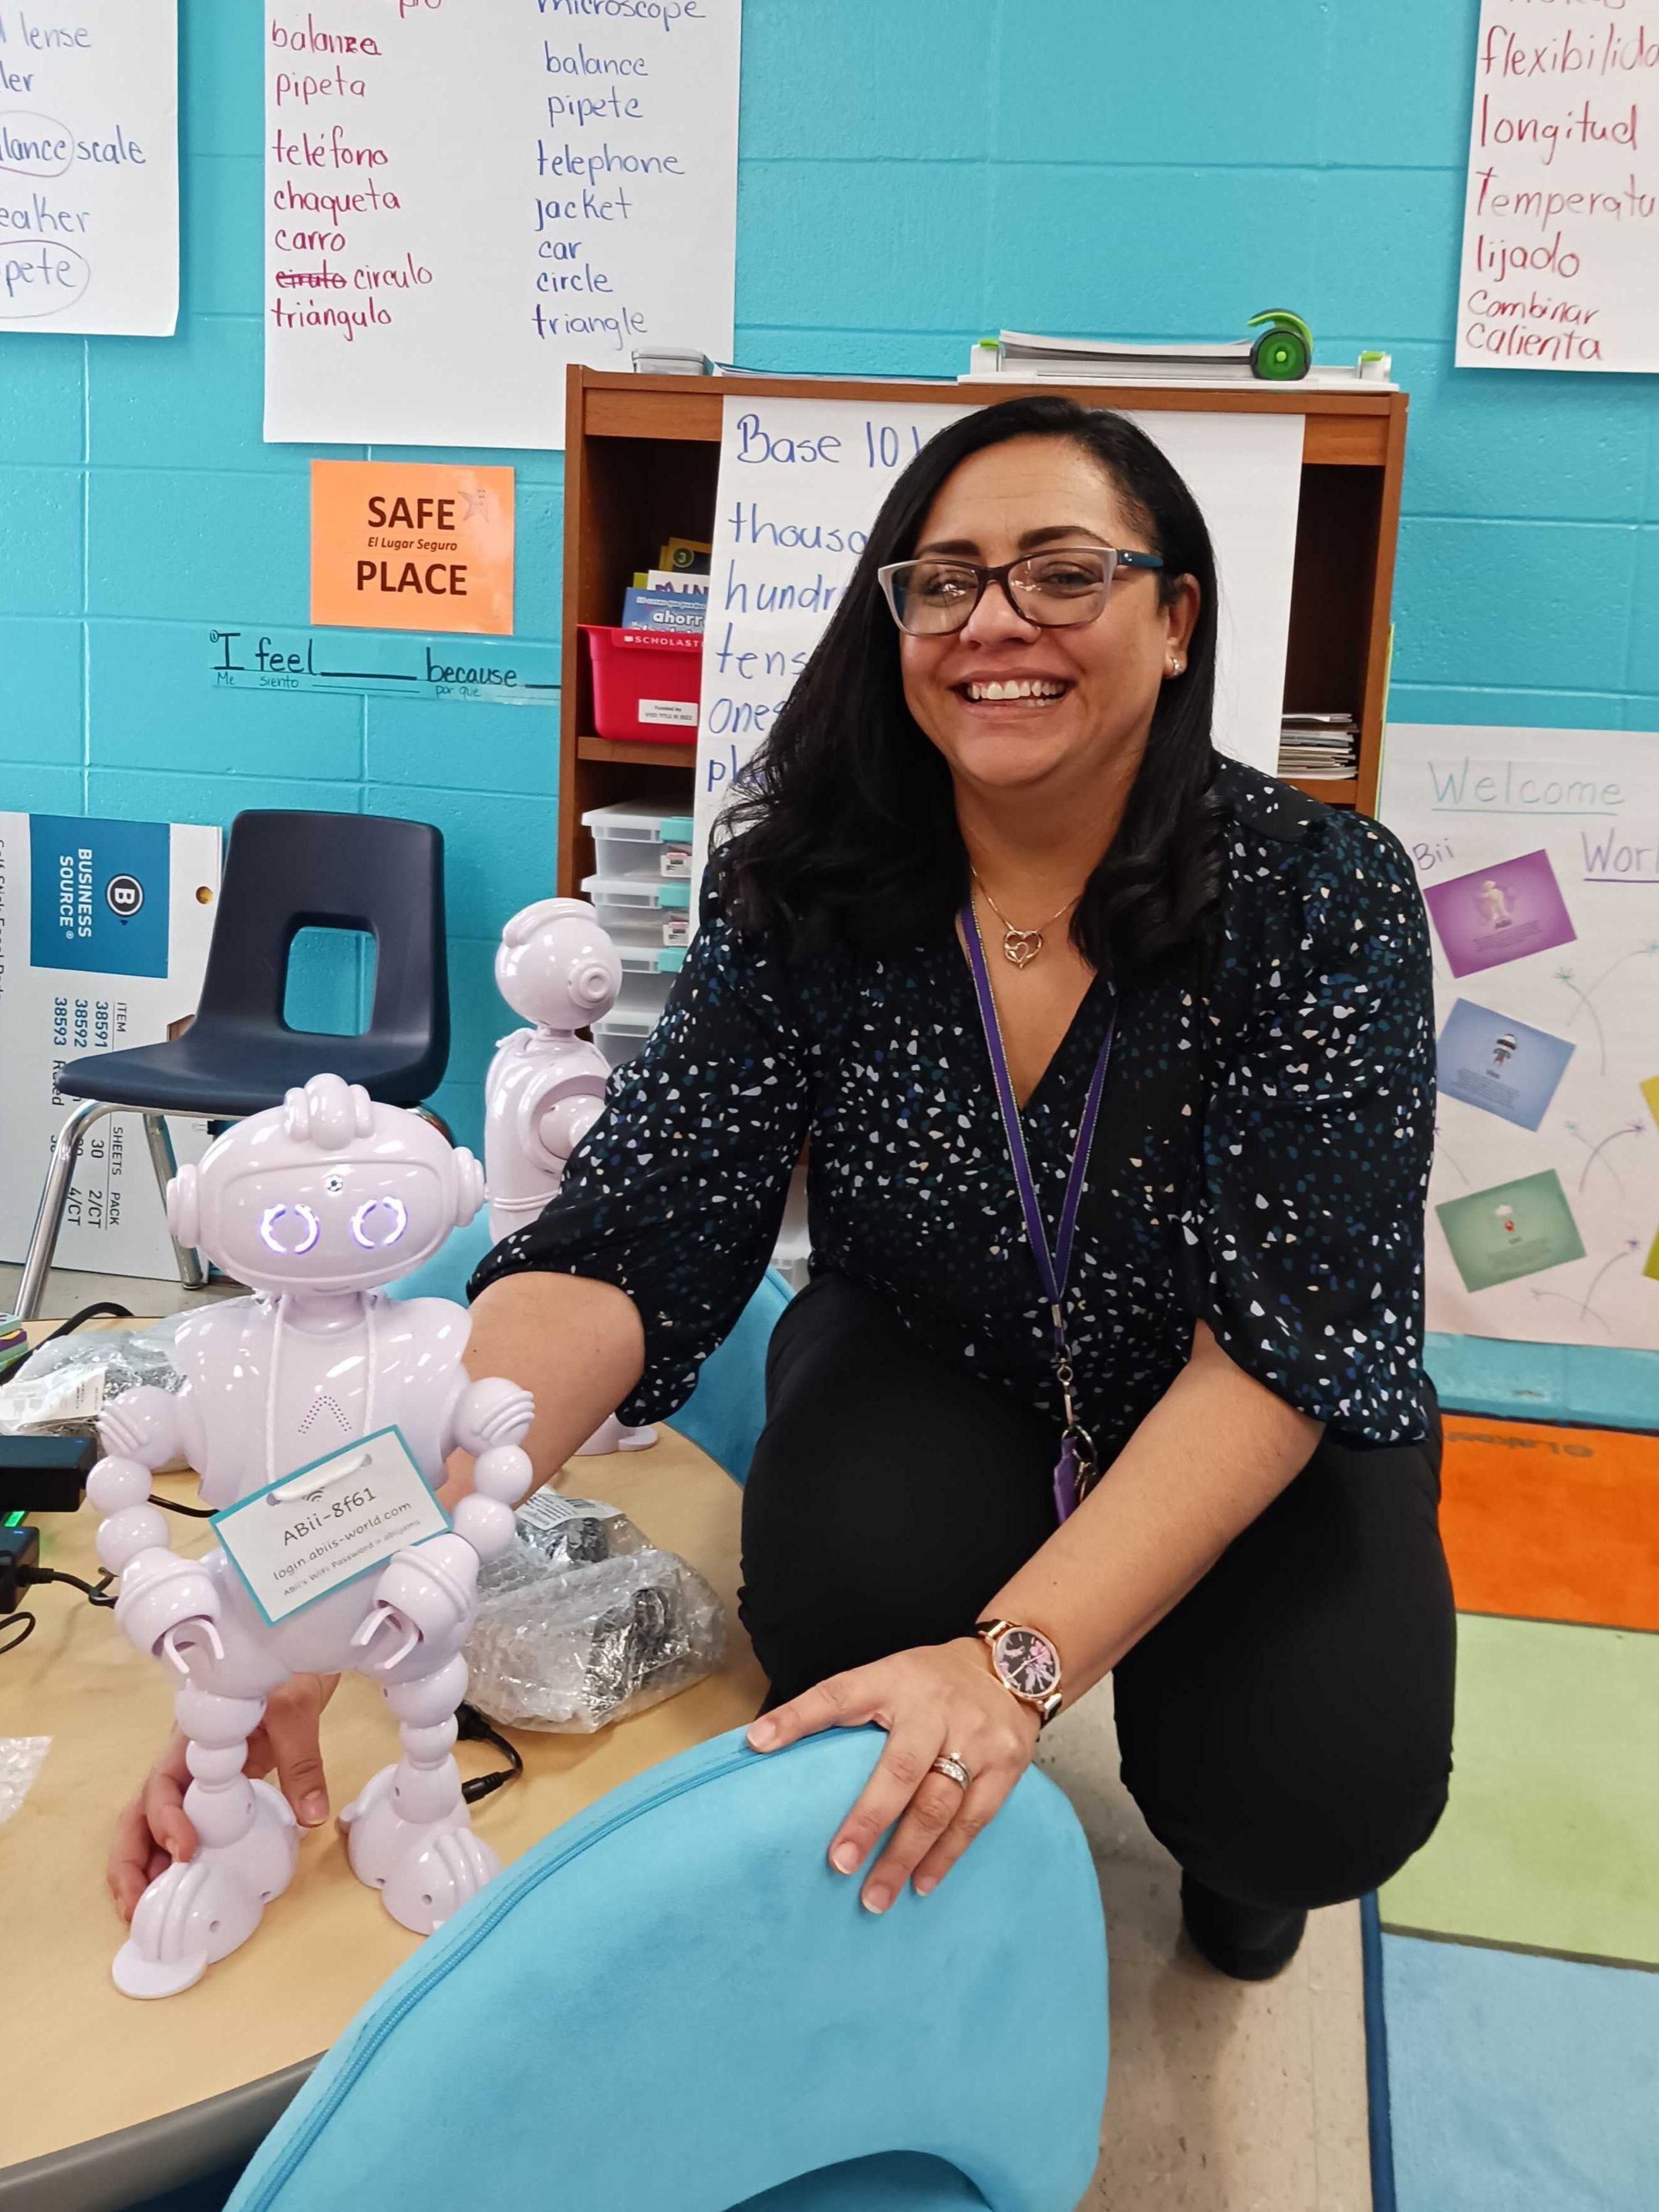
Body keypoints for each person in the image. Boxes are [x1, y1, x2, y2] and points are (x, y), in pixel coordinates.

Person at [110, 396, 1455, 1982]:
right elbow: (616, 1248)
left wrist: (1007, 1669)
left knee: (1306, 1795)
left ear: (1172, 621)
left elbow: (1283, 1345)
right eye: (940, 580)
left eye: (1061, 575)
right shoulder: (812, 882)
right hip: (944, 1357)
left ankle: (1233, 1857)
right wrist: (307, 1619)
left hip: (1240, 1401)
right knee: (837, 1643)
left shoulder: (1318, 900)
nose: (991, 623)